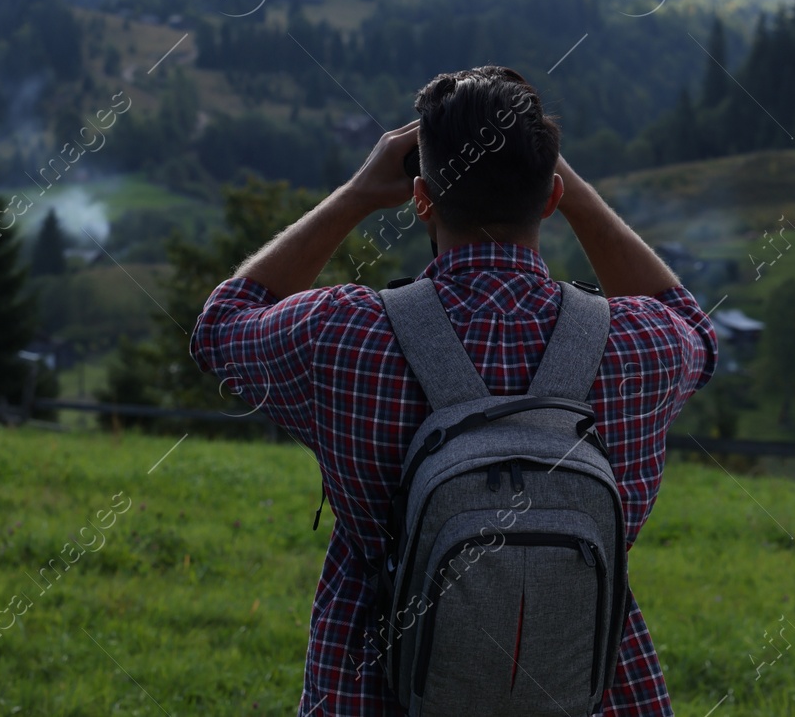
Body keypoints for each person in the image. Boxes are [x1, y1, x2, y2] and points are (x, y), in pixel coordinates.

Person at [191, 65, 717, 716]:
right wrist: (577, 195)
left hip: (376, 693)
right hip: (587, 694)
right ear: (549, 196)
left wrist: (355, 194)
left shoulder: (341, 335)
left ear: (420, 199)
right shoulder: (641, 346)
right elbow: (698, 329)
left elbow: (220, 325)